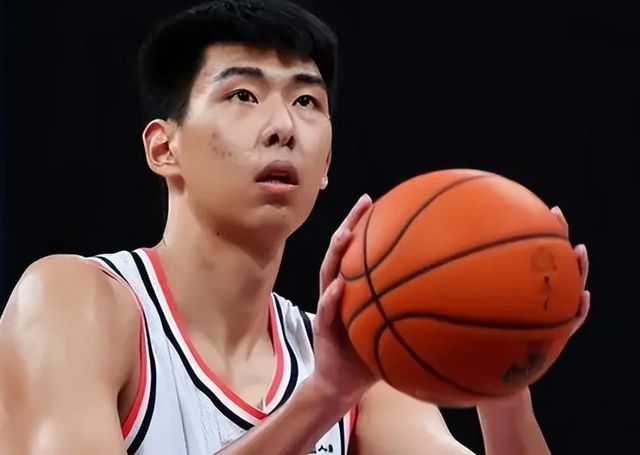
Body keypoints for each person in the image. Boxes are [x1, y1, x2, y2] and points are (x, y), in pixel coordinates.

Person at [0, 0, 591, 454]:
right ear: (163, 148)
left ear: (327, 163)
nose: (283, 126)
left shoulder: (354, 361)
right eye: (242, 95)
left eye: (307, 102)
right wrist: (322, 398)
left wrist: (504, 367)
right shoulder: (72, 302)